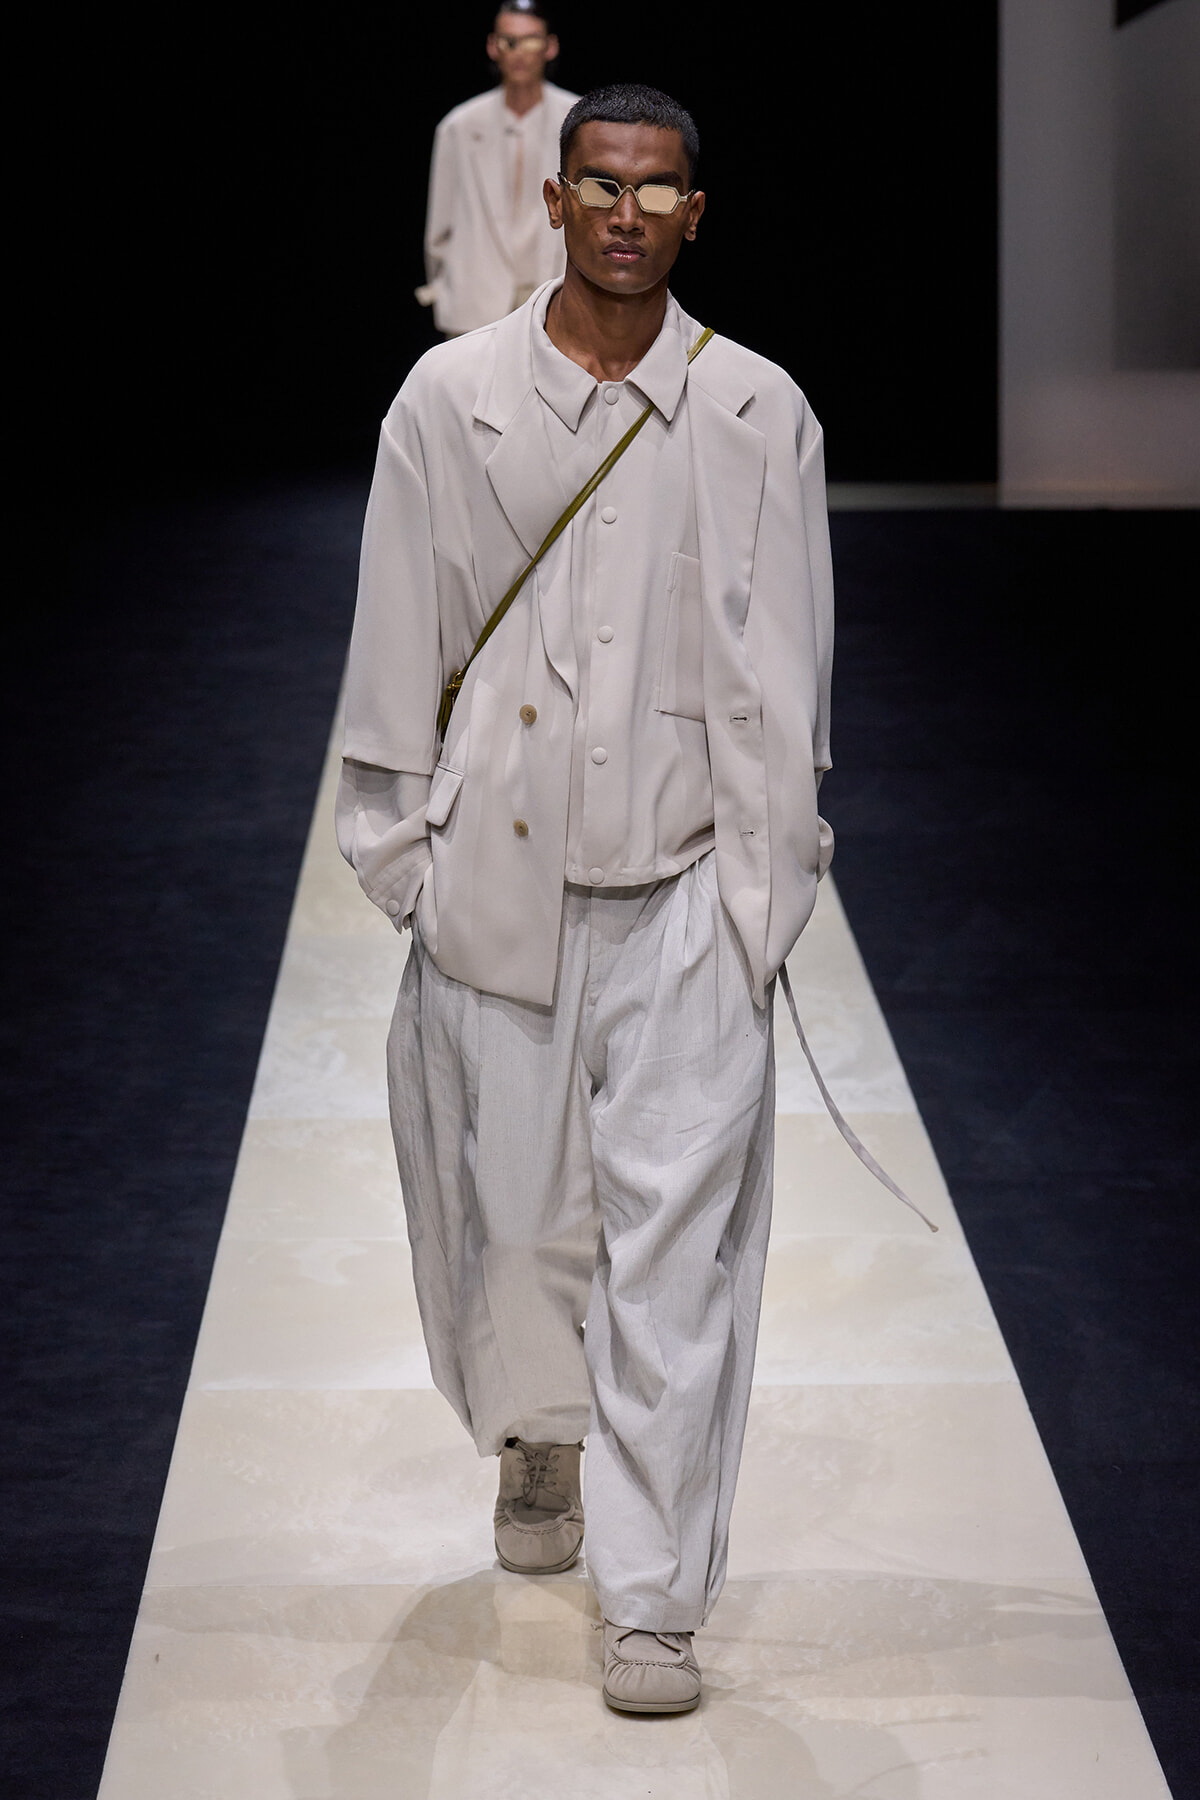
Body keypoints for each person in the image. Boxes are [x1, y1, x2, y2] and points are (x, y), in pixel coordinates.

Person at [338, 82, 834, 1715]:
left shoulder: (756, 410)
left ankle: (655, 1599)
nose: (629, 212)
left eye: (659, 188)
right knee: (516, 1231)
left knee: (676, 1263)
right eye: (603, 185)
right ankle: (539, 1436)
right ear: (553, 201)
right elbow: (399, 632)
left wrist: (766, 893)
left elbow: (791, 670)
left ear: (697, 213)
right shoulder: (450, 398)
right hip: (499, 885)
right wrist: (402, 860)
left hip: (691, 893)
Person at [417, 2, 578, 336]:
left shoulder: (578, 121)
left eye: (530, 40)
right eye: (509, 41)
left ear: (550, 46)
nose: (519, 52)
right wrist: (446, 290)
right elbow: (439, 231)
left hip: (554, 297)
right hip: (475, 303)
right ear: (493, 46)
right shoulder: (460, 126)